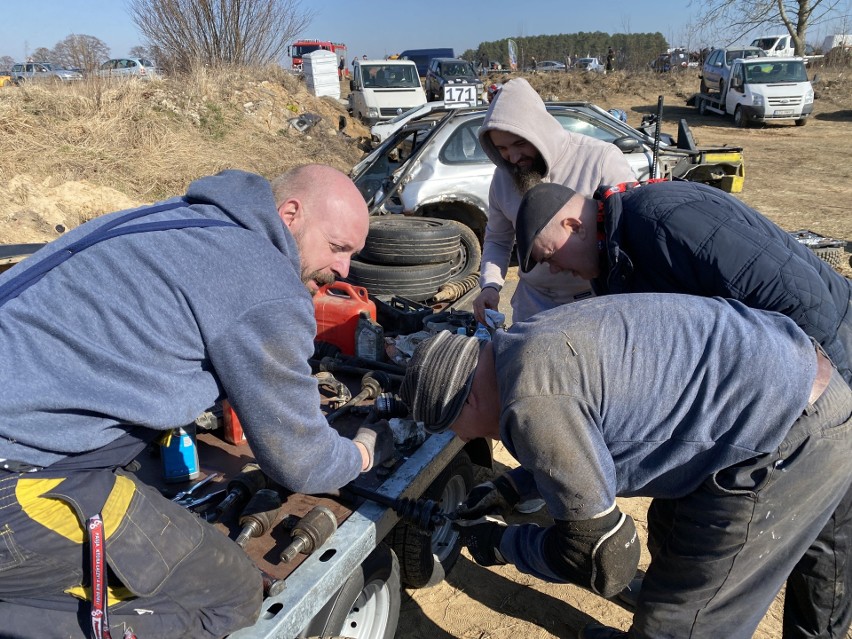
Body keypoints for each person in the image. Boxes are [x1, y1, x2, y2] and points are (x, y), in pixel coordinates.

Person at [0, 165, 395, 638]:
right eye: (337, 248)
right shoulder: (262, 279)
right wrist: (362, 451)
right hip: (19, 478)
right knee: (226, 592)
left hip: (26, 424)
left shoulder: (173, 218)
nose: (344, 269)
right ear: (290, 214)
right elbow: (303, 464)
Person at [400, 295, 852, 639]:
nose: (463, 439)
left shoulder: (530, 404)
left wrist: (504, 543)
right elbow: (588, 429)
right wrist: (513, 488)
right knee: (672, 537)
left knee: (686, 621)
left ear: (470, 399)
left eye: (455, 427)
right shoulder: (524, 343)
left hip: (787, 433)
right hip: (777, 376)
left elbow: (605, 560)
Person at [514, 179, 852, 637]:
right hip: (744, 403)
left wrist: (831, 398)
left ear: (573, 224)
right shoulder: (622, 258)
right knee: (675, 514)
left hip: (820, 379)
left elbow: (791, 291)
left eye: (552, 256)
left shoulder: (661, 221)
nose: (562, 272)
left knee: (825, 547)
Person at [471, 78, 635, 326]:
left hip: (595, 305)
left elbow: (630, 239)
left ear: (539, 131)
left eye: (520, 143)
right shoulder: (504, 177)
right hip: (533, 304)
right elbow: (498, 239)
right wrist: (490, 286)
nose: (513, 157)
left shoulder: (600, 160)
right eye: (502, 148)